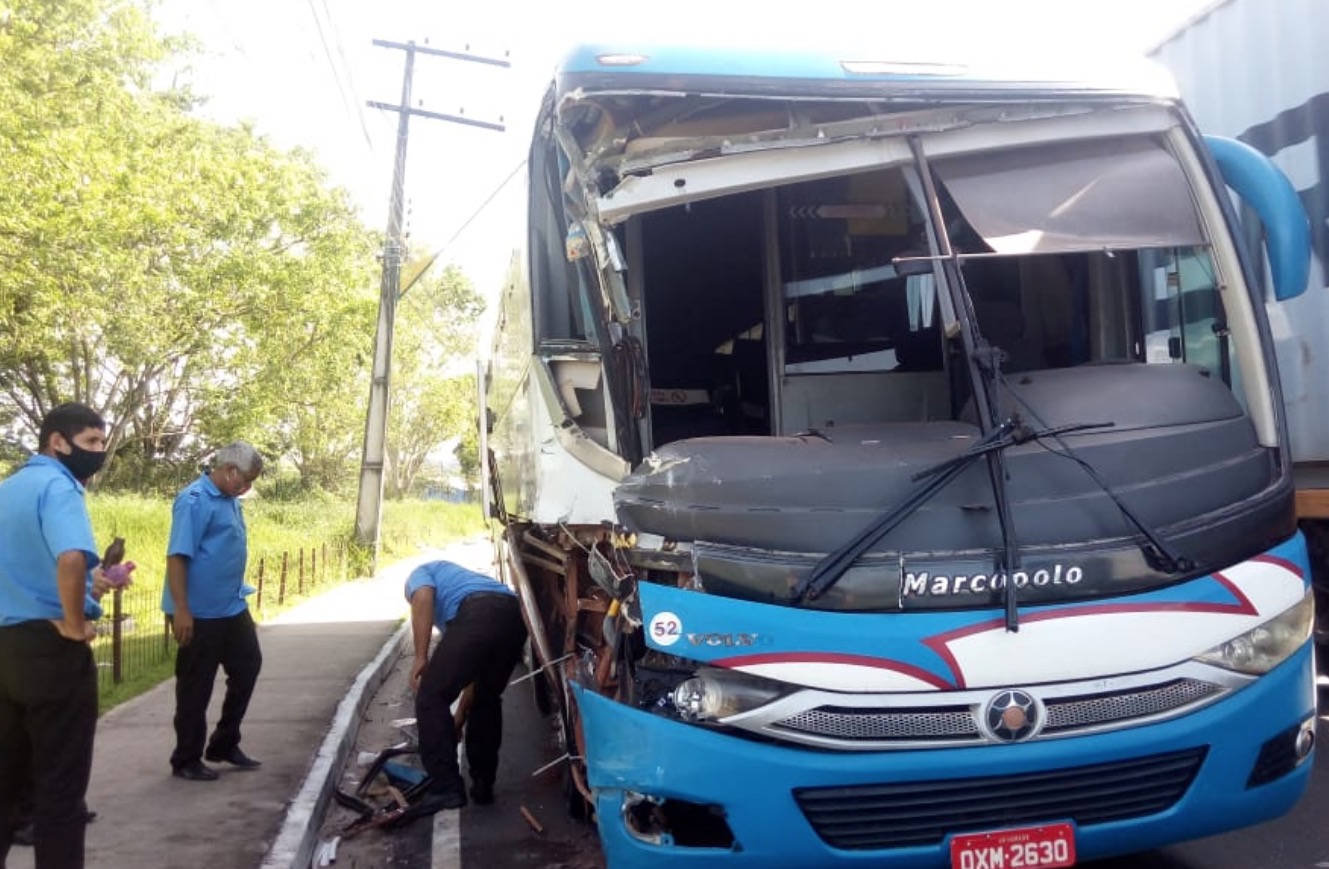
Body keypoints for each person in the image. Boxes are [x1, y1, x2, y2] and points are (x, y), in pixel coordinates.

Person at [0, 402, 114, 868]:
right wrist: (73, 622)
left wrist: (91, 586)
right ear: (57, 442)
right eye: (90, 442)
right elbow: (70, 557)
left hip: (5, 650)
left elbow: (44, 566)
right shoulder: (60, 486)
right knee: (60, 793)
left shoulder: (9, 489)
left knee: (5, 786)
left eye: (102, 443)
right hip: (51, 651)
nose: (98, 452)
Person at [162, 442, 264, 782]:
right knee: (195, 686)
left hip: (231, 606)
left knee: (248, 666)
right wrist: (182, 610)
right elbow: (177, 556)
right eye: (245, 480)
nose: (247, 487)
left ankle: (223, 743)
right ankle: (186, 758)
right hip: (199, 613)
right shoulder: (194, 501)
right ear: (230, 470)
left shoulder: (231, 500)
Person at [407, 560, 527, 809]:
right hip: (514, 618)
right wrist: (459, 715)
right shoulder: (463, 582)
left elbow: (422, 595)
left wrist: (420, 656)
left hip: (479, 611)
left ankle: (445, 788)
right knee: (487, 698)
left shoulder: (420, 573)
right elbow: (473, 671)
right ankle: (483, 785)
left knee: (431, 697)